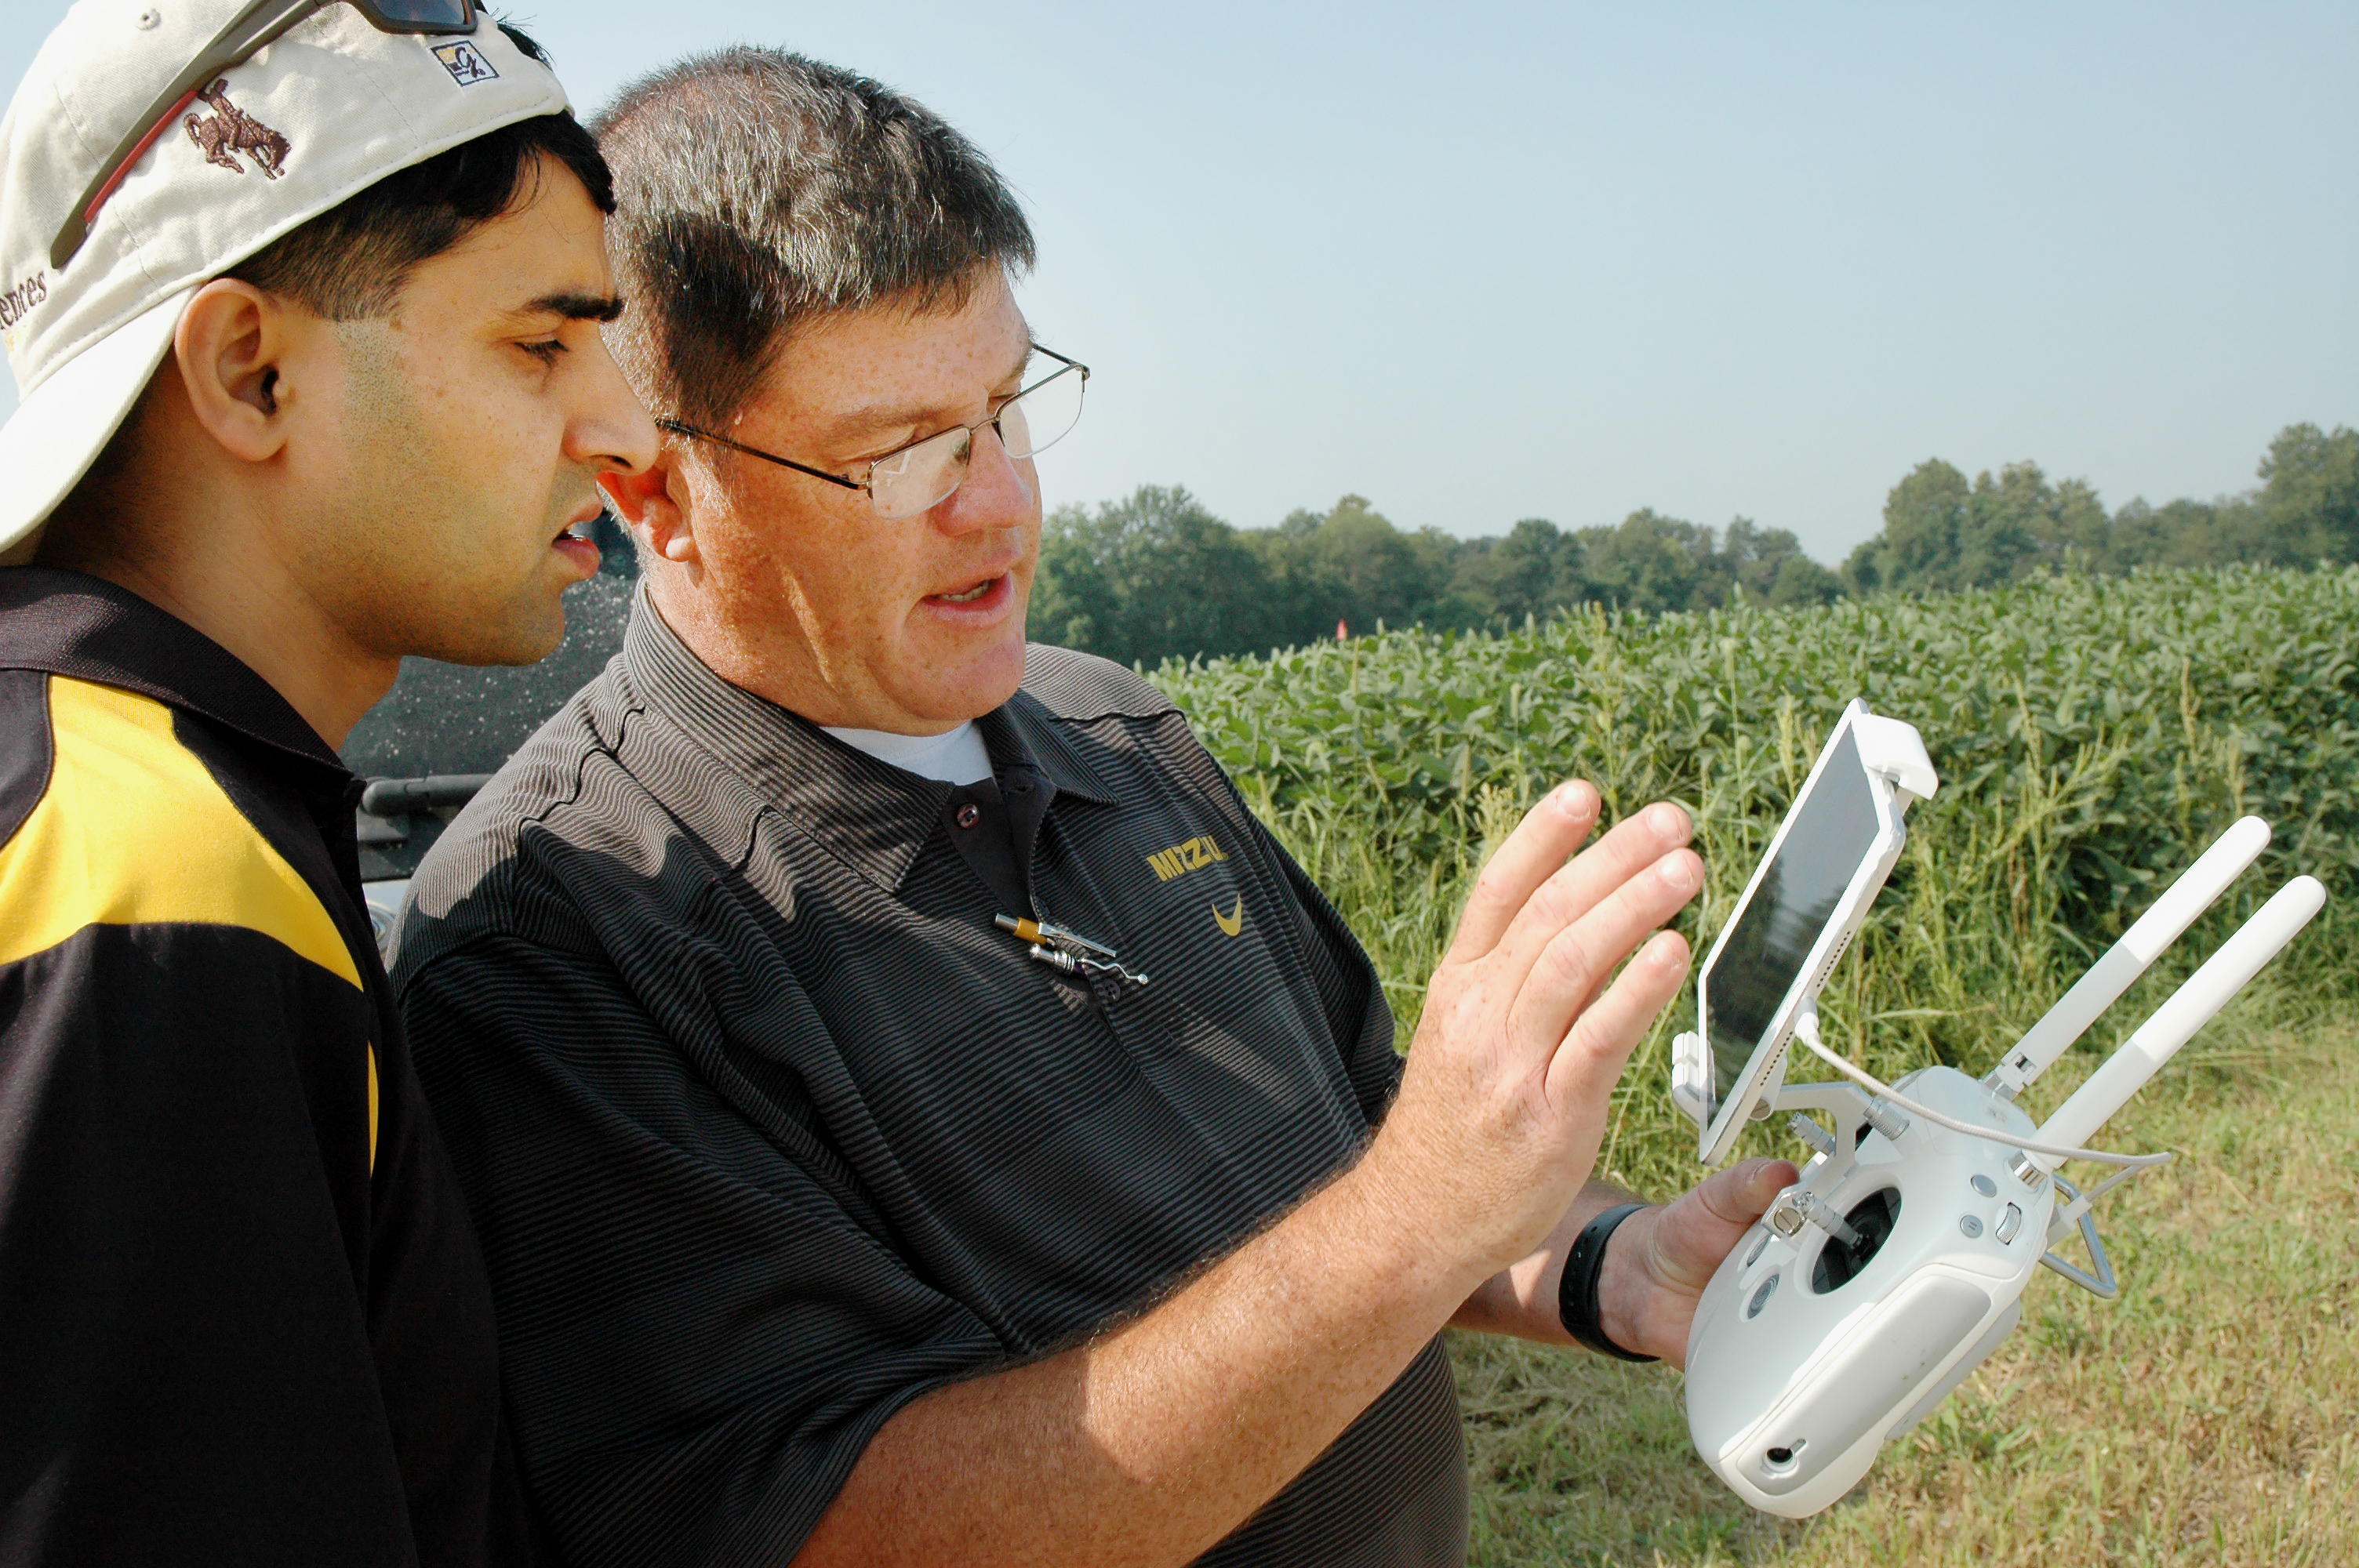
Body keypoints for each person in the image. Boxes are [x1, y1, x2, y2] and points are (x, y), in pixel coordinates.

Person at [392, 48, 1794, 1568]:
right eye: (903, 450)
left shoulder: (1117, 727)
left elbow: (1374, 1148)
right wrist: (1412, 1215)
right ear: (654, 491)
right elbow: (830, 1528)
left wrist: (1603, 1259)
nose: (997, 497)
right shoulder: (568, 938)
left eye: (1004, 404)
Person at [0, 4, 655, 1562]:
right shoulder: (154, 894)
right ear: (251, 372)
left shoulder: (91, 798)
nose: (624, 428)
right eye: (543, 343)